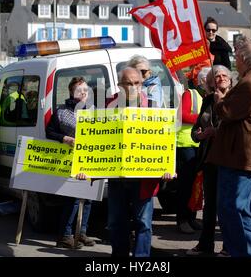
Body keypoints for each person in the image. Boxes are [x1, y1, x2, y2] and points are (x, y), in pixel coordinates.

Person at [205, 38, 251, 257]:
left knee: (232, 209)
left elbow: (227, 112)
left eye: (236, 58)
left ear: (245, 60)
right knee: (242, 210)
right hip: (247, 157)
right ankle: (248, 252)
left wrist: (219, 100)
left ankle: (242, 253)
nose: (234, 63)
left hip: (240, 158)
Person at [106, 67, 171, 257]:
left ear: (142, 84)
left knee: (143, 223)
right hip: (117, 176)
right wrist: (86, 167)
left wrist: (167, 166)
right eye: (128, 83)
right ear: (119, 85)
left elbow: (163, 140)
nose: (133, 87)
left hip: (144, 178)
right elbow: (96, 139)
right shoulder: (107, 107)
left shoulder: (153, 107)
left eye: (137, 83)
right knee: (117, 222)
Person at [187, 65, 233, 256]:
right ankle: (205, 244)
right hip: (209, 160)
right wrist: (199, 135)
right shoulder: (207, 100)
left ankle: (229, 246)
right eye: (217, 76)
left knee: (227, 206)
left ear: (230, 80)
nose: (221, 78)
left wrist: (215, 132)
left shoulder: (235, 99)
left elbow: (234, 127)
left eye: (224, 76)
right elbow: (195, 130)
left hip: (228, 160)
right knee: (209, 207)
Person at [45, 77, 95, 249]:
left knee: (88, 199)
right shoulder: (61, 111)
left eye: (85, 90)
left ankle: (81, 232)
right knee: (72, 199)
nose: (83, 93)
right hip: (70, 161)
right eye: (79, 90)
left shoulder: (94, 111)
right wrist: (64, 138)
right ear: (71, 92)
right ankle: (65, 235)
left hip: (90, 160)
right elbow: (49, 132)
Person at [175, 66, 206, 234]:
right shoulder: (190, 94)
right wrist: (204, 119)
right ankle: (182, 219)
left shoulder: (208, 96)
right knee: (185, 185)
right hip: (186, 144)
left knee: (196, 184)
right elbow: (183, 115)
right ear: (202, 81)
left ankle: (192, 217)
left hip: (200, 144)